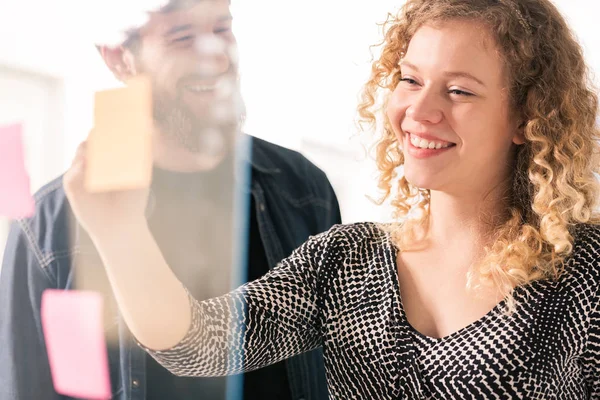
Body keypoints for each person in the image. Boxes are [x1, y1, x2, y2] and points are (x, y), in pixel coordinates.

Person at [61, 0, 600, 398]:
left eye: (459, 90)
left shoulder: (584, 276)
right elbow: (195, 344)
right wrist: (119, 229)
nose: (420, 111)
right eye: (410, 80)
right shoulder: (345, 262)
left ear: (529, 117)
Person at [0, 1, 341, 399]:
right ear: (118, 57)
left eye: (222, 29)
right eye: (182, 37)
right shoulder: (49, 225)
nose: (214, 54)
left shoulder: (303, 189)